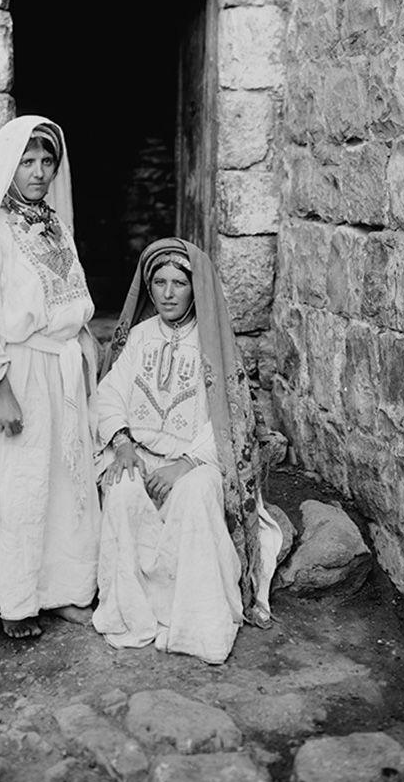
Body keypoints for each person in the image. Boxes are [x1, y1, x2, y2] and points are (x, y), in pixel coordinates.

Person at [0, 116, 100, 640]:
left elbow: (70, 299)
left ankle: (67, 592)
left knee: (68, 482)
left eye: (46, 161)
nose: (37, 172)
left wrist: (86, 347)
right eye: (27, 162)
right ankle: (18, 602)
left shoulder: (55, 226)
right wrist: (0, 390)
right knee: (23, 487)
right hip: (21, 374)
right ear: (9, 166)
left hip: (63, 371)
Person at [91, 238, 281, 665]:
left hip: (198, 462)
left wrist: (186, 464)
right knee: (121, 490)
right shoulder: (138, 337)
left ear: (197, 289)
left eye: (179, 282)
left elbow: (231, 420)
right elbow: (109, 394)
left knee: (195, 496)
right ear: (148, 286)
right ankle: (135, 614)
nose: (168, 293)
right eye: (159, 282)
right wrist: (122, 444)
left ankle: (194, 625)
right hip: (139, 454)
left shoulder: (213, 344)